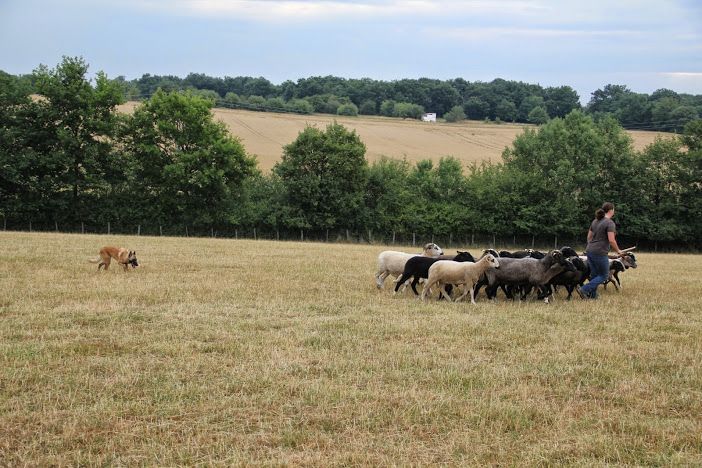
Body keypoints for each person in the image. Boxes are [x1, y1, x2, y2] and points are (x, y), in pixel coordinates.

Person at [578, 202, 623, 300]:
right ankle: (584, 289)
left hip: (590, 250)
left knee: (594, 274)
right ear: (611, 210)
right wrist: (618, 250)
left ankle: (592, 295)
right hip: (600, 252)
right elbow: (611, 240)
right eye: (614, 210)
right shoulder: (610, 223)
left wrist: (592, 245)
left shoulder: (595, 221)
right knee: (604, 275)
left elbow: (589, 237)